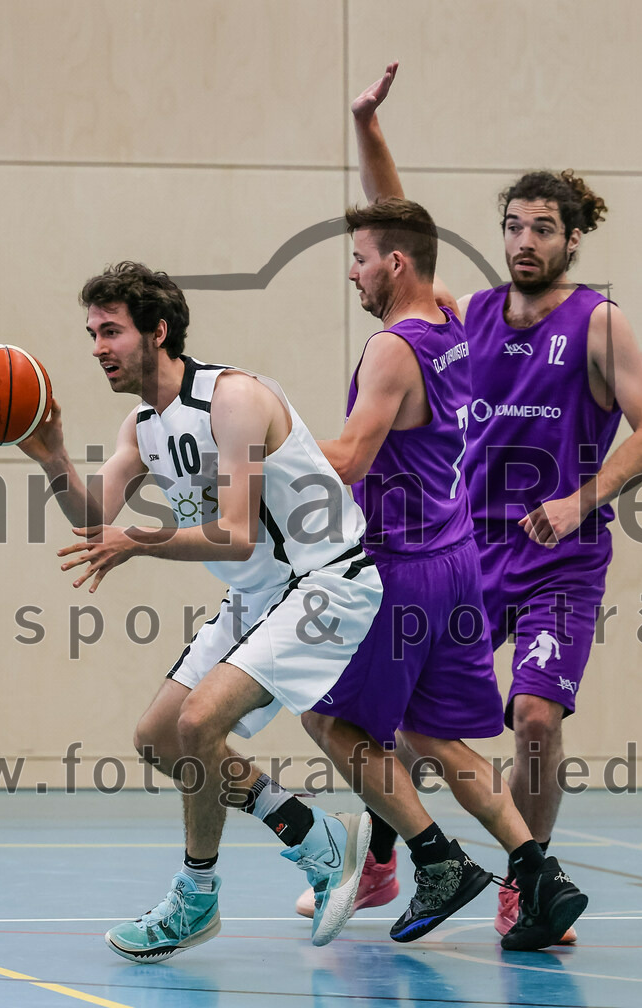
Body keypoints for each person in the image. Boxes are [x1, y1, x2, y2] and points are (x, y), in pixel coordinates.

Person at [347, 63, 642, 939]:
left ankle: (523, 883)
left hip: (560, 558)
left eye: (542, 228)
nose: (525, 240)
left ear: (572, 240)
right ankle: (385, 865)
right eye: (512, 227)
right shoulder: (468, 313)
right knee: (404, 716)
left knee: (532, 717)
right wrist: (369, 130)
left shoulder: (599, 324)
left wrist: (580, 499)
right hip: (467, 552)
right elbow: (398, 237)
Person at [20, 261, 385, 961]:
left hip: (324, 581)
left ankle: (206, 888)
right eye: (92, 332)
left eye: (112, 331)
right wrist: (53, 456)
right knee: (160, 735)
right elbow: (95, 516)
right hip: (257, 595)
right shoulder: (143, 423)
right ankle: (316, 838)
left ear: (159, 331)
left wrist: (140, 541)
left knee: (197, 721)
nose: (98, 346)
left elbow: (238, 531)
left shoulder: (234, 398)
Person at [296, 194, 589, 950]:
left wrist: (258, 438)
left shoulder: (391, 349)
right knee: (435, 737)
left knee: (330, 722)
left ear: (394, 264)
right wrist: (368, 131)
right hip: (459, 559)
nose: (352, 274)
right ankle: (537, 874)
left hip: (404, 568)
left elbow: (352, 459)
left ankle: (435, 862)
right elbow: (412, 230)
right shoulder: (453, 322)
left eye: (359, 259)